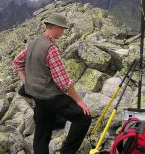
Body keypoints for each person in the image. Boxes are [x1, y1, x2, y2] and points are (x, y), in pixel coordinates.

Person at [13, 12, 92, 154]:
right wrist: (80, 101)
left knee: (43, 129)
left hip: (36, 95)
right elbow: (63, 83)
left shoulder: (33, 42)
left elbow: (17, 62)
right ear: (55, 27)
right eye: (62, 29)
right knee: (83, 117)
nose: (63, 32)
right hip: (50, 96)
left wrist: (28, 84)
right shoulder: (51, 48)